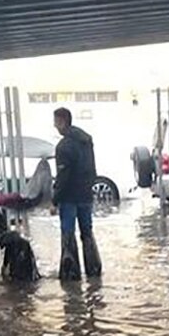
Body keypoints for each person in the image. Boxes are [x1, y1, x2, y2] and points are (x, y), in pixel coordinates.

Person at [52, 107, 102, 280]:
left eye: (56, 122)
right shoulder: (86, 141)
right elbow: (92, 169)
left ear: (62, 121)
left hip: (69, 197)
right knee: (87, 232)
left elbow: (62, 176)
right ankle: (93, 269)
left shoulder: (63, 147)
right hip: (85, 194)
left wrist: (55, 199)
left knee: (68, 233)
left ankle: (71, 273)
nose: (54, 126)